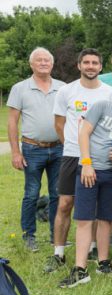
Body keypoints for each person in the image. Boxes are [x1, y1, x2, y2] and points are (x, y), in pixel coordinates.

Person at [59, 76, 112, 288]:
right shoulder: (102, 106)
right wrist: (87, 163)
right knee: (84, 219)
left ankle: (103, 262)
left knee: (107, 219)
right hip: (91, 169)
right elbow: (84, 133)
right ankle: (80, 269)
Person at [45, 49, 112, 272]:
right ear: (79, 65)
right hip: (73, 155)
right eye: (86, 62)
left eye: (95, 62)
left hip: (100, 158)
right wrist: (71, 146)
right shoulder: (67, 91)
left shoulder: (110, 92)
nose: (91, 66)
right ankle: (59, 252)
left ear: (101, 67)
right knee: (65, 203)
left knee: (95, 205)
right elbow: (59, 123)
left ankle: (93, 248)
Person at [8, 47, 64, 252]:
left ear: (52, 64)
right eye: (38, 60)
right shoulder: (20, 88)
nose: (43, 63)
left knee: (57, 193)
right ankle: (29, 236)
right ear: (31, 64)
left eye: (46, 60)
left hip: (59, 149)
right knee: (31, 193)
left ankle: (55, 237)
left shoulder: (62, 87)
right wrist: (16, 152)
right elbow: (12, 122)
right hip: (32, 149)